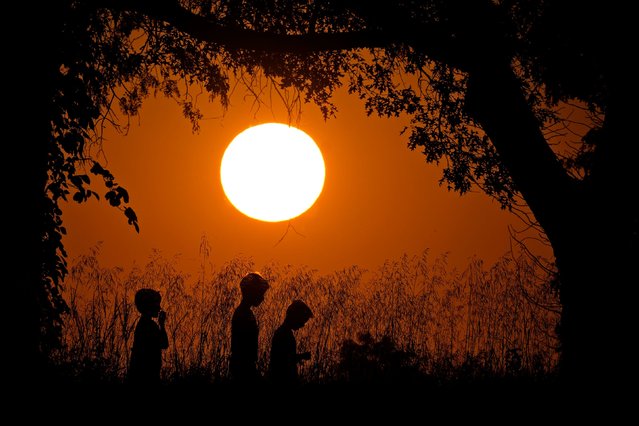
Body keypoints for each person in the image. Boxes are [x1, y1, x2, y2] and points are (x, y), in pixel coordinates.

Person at [230, 272, 270, 383]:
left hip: (245, 365)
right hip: (243, 367)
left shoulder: (245, 313)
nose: (262, 298)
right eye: (260, 293)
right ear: (252, 293)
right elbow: (241, 347)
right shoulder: (243, 314)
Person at [128, 288, 169, 385]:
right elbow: (164, 344)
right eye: (157, 304)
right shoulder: (149, 326)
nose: (159, 308)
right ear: (149, 305)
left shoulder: (142, 325)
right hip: (147, 378)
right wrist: (162, 325)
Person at [269, 300, 314, 385]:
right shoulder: (283, 334)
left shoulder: (284, 333)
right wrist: (301, 356)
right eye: (302, 321)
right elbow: (283, 360)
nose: (302, 325)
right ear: (295, 317)